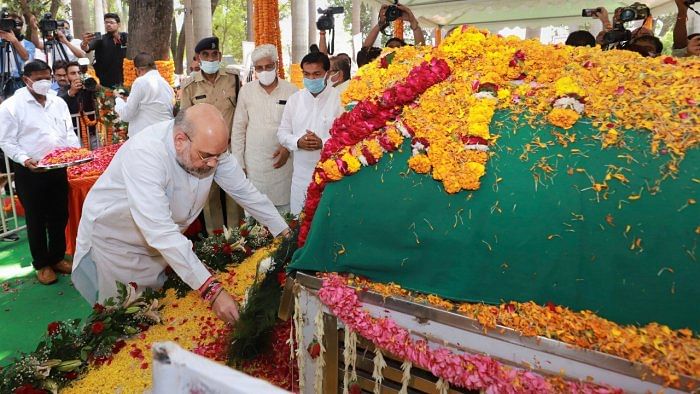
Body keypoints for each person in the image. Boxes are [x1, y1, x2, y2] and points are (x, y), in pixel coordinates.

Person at [71, 104, 290, 324]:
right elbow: (160, 231)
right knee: (126, 318)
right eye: (207, 156)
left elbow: (245, 192)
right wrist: (211, 290)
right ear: (180, 140)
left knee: (157, 310)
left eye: (219, 155)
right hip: (118, 244)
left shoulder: (209, 149)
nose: (214, 163)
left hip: (162, 242)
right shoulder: (145, 154)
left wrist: (284, 232)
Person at [0, 60, 80, 284]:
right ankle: (41, 264)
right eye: (39, 79)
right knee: (36, 218)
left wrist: (74, 153)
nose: (45, 83)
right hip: (31, 171)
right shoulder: (11, 106)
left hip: (58, 167)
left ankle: (56, 257)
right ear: (26, 80)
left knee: (59, 214)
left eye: (48, 77)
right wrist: (25, 160)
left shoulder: (57, 102)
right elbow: (6, 140)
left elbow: (68, 132)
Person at [181, 36, 242, 233]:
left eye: (214, 54)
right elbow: (184, 121)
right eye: (205, 55)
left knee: (236, 195)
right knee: (209, 197)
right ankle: (216, 244)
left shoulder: (233, 79)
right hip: (205, 153)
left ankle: (238, 240)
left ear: (220, 56)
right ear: (198, 59)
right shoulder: (190, 86)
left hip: (231, 149)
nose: (210, 58)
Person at [231, 44, 297, 214]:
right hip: (255, 166)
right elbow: (239, 128)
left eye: (268, 66)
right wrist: (239, 163)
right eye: (259, 68)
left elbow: (298, 126)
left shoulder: (292, 91)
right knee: (255, 217)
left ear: (276, 64)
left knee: (285, 215)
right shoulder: (246, 91)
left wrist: (287, 148)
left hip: (283, 164)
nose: (264, 71)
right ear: (255, 70)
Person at [277, 51, 343, 215]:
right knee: (299, 226)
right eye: (307, 74)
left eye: (316, 74)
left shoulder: (340, 99)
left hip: (331, 177)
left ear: (327, 74)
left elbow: (346, 137)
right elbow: (282, 133)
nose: (311, 79)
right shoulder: (295, 100)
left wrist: (323, 143)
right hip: (301, 178)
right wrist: (298, 141)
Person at [115, 52, 174, 137]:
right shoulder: (166, 84)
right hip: (165, 135)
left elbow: (126, 115)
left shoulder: (141, 82)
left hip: (146, 138)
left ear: (138, 70)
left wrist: (118, 101)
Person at [80, 13, 127, 88]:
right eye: (106, 22)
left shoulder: (125, 37)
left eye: (111, 22)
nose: (108, 25)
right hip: (105, 81)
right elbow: (87, 48)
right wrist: (84, 43)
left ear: (118, 24)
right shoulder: (100, 39)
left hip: (124, 78)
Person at [59, 61, 98, 147]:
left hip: (94, 133)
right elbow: (59, 103)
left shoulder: (87, 84)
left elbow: (99, 95)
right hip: (75, 135)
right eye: (73, 73)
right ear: (66, 76)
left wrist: (92, 86)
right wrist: (71, 92)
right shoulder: (63, 90)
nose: (77, 75)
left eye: (79, 73)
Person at [0, 12, 33, 99]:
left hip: (19, 81)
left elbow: (26, 57)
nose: (14, 26)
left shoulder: (28, 44)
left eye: (18, 23)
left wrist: (14, 41)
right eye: (8, 23)